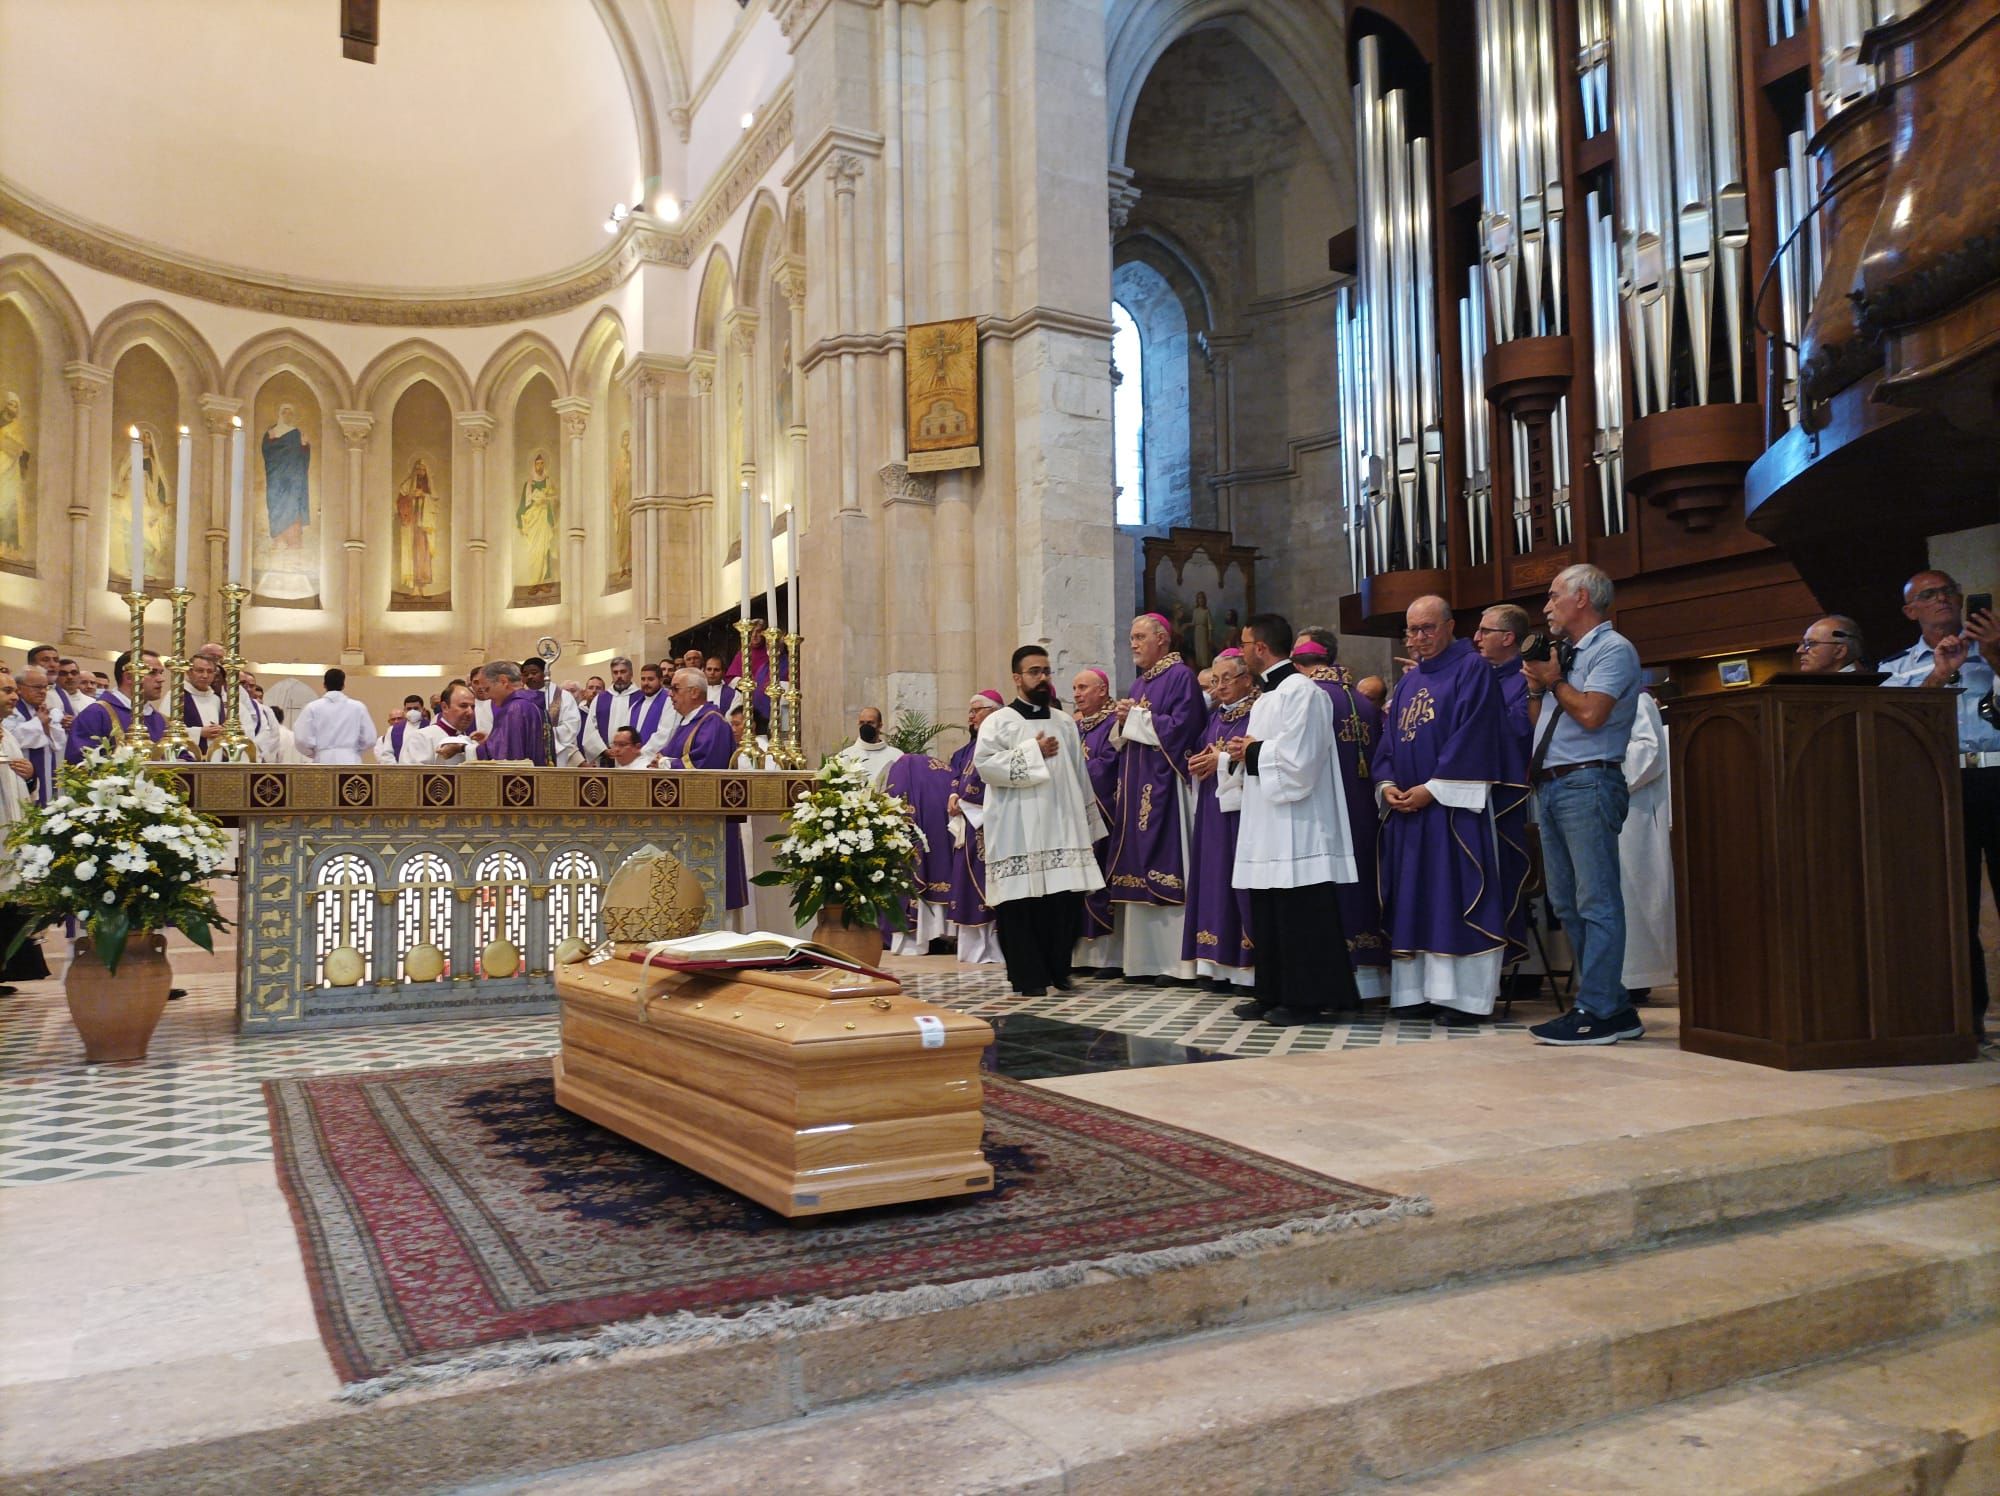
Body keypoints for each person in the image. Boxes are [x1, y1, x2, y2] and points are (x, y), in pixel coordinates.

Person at [1372, 596, 1511, 1027]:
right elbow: (1390, 741)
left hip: (1452, 812)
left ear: (1450, 626)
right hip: (1411, 812)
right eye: (1412, 630)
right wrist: (1388, 785)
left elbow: (1475, 734)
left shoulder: (1472, 669)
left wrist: (1433, 789)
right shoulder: (1409, 682)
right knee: (1417, 898)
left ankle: (1464, 999)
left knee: (1453, 896)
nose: (1419, 638)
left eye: (1427, 628)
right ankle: (1418, 992)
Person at [1523, 564, 1646, 1046]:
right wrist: (1538, 687)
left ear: (1581, 598)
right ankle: (1613, 1006)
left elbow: (1593, 714)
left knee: (1595, 900)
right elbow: (1542, 723)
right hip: (1554, 783)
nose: (1547, 607)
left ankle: (1596, 1009)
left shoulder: (1614, 649)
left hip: (1588, 781)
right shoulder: (1566, 653)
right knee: (1566, 902)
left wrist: (1554, 681)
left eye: (1554, 596)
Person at [1220, 615, 1361, 1024]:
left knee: (1298, 914)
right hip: (1269, 823)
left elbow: (1301, 759)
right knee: (1269, 910)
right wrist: (1240, 753)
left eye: (1245, 644)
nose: (1242, 651)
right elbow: (1265, 750)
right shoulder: (1267, 697)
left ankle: (1305, 999)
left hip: (1299, 824)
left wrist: (1252, 750)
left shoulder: (1303, 692)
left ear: (1261, 648)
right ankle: (1272, 992)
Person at [1879, 570, 1999, 1039]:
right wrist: (1939, 675)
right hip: (1942, 783)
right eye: (1929, 595)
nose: (1942, 599)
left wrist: (1995, 655)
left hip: (1997, 773)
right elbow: (1894, 726)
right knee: (1954, 904)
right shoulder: (1897, 666)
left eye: (1949, 591)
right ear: (1911, 611)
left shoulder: (1994, 648)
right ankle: (1967, 1021)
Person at [971, 646, 1107, 996]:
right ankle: (1029, 977)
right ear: (1017, 678)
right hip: (1017, 826)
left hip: (1061, 823)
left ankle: (1058, 970)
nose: (1042, 677)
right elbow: (986, 767)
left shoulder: (1064, 722)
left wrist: (1088, 825)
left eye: (1046, 670)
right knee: (1020, 904)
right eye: (1034, 671)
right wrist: (1033, 752)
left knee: (1063, 901)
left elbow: (1079, 774)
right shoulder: (998, 722)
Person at [1294, 628, 1390, 998]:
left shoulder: (1310, 697)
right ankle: (1371, 974)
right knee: (1361, 883)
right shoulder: (1361, 700)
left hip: (1324, 813)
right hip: (1364, 810)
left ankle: (1331, 977)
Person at [1108, 612, 1203, 982]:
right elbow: (1126, 736)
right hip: (1138, 784)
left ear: (1162, 639)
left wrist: (1134, 718)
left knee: (1168, 858)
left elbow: (1183, 730)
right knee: (1136, 863)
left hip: (1166, 786)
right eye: (1132, 637)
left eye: (1139, 637)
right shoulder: (1140, 684)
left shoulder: (1181, 677)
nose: (1133, 644)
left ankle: (1175, 963)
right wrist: (1123, 720)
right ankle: (1143, 962)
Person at [1183, 650, 1257, 989]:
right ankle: (1214, 964)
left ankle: (1244, 966)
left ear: (1247, 679)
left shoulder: (1257, 713)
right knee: (1213, 880)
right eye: (1215, 680)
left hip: (1244, 812)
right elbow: (1204, 751)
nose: (1220, 686)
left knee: (1238, 883)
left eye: (1227, 678)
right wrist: (1197, 763)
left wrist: (1222, 760)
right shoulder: (1216, 717)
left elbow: (1257, 755)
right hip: (1213, 811)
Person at [656, 668, 748, 926]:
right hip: (686, 821)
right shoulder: (689, 722)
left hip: (710, 823)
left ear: (694, 692)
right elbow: (669, 755)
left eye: (675, 689)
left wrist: (666, 763)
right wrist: (661, 760)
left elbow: (706, 766)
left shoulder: (713, 723)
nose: (670, 695)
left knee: (714, 890)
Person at [1474, 604, 1537, 967]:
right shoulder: (1485, 676)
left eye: (1485, 631)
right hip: (1477, 794)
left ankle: (1512, 961)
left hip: (1508, 794)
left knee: (1506, 876)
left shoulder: (1524, 679)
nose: (1476, 638)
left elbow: (1519, 732)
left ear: (1509, 637)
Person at [1620, 688, 1676, 999]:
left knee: (1634, 894)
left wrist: (1602, 772)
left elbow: (1649, 752)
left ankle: (1635, 977)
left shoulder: (1636, 699)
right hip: (1591, 807)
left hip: (1632, 812)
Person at [0, 665, 50, 986]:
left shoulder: (7, 735)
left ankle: (7, 969)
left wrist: (30, 776)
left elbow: (22, 784)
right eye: (7, 691)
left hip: (11, 828)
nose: (14, 697)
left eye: (14, 691)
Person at [1070, 668, 1122, 973]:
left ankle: (1108, 957)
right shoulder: (1075, 727)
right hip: (1075, 815)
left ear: (1102, 690)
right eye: (1075, 689)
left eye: (1083, 688)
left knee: (1102, 881)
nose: (1077, 694)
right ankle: (1080, 955)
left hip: (1105, 813)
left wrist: (1071, 773)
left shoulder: (1114, 723)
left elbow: (1109, 764)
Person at [882, 745, 957, 956]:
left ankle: (914, 940)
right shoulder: (943, 774)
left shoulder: (902, 769)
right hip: (943, 836)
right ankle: (942, 935)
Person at [948, 691, 1004, 965]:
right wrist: (953, 795)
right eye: (970, 711)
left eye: (976, 710)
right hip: (970, 822)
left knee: (987, 883)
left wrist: (965, 801)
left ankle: (993, 949)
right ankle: (974, 950)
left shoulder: (1000, 739)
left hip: (990, 820)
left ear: (993, 711)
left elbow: (993, 777)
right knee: (968, 882)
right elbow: (959, 775)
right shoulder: (971, 746)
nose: (970, 716)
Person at [65, 651, 167, 760]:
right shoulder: (96, 714)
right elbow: (80, 762)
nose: (161, 679)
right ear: (129, 677)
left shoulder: (162, 720)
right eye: (152, 672)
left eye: (161, 673)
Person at [291, 668, 374, 764]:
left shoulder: (312, 707)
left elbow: (301, 739)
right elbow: (370, 738)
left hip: (323, 759)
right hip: (350, 760)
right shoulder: (358, 707)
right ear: (343, 685)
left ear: (324, 685)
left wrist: (313, 752)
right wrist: (353, 750)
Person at [474, 661, 548, 764]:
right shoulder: (533, 702)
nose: (487, 696)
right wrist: (491, 740)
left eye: (487, 689)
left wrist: (466, 748)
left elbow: (506, 756)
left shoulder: (514, 709)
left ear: (503, 681)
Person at [520, 657, 583, 766]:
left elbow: (571, 725)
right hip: (527, 754)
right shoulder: (520, 698)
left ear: (545, 673)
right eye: (526, 674)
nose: (530, 677)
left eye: (534, 673)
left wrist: (544, 735)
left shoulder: (563, 696)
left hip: (557, 754)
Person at [11, 665, 60, 803]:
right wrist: (38, 722)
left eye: (45, 687)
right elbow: (11, 739)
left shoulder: (45, 709)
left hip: (46, 773)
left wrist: (45, 726)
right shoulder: (12, 710)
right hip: (22, 775)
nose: (43, 692)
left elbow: (58, 743)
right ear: (19, 688)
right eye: (37, 687)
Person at [400, 682, 479, 765]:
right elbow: (410, 772)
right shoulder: (421, 738)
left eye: (473, 707)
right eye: (463, 706)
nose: (470, 712)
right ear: (445, 707)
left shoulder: (470, 741)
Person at [582, 656, 640, 762]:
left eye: (623, 672)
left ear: (631, 673)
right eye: (615, 672)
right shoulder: (600, 699)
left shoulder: (641, 697)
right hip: (607, 758)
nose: (619, 676)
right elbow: (590, 729)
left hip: (634, 758)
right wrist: (604, 750)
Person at [838, 706, 904, 786]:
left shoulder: (896, 755)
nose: (865, 726)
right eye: (862, 723)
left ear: (880, 725)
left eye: (870, 723)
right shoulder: (845, 755)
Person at [179, 655, 228, 760]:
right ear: (189, 672)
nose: (205, 676)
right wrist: (199, 732)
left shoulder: (216, 699)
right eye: (200, 671)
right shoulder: (177, 697)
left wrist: (222, 731)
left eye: (210, 672)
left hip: (215, 758)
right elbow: (165, 731)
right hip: (188, 760)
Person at [1796, 615, 1868, 674]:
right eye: (1803, 643)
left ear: (1840, 651)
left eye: (1811, 643)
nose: (1799, 650)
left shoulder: (1858, 685)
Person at [374, 694, 429, 765]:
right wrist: (397, 769)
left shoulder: (430, 727)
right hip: (399, 769)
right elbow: (387, 754)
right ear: (404, 710)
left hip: (423, 769)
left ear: (423, 710)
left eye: (416, 708)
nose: (412, 711)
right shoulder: (393, 729)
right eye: (409, 709)